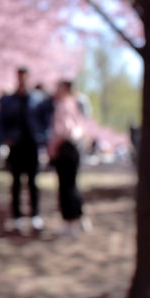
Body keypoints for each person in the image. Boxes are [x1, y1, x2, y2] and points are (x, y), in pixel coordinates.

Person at [0, 67, 52, 232]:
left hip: (32, 145)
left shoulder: (38, 100)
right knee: (16, 183)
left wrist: (43, 138)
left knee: (33, 182)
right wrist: (5, 138)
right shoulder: (8, 100)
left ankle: (35, 215)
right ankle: (17, 217)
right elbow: (0, 121)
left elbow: (46, 121)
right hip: (16, 146)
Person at [48, 79, 90, 235]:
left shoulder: (63, 105)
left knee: (66, 186)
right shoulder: (77, 103)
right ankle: (80, 217)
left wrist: (53, 147)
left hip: (65, 147)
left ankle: (70, 222)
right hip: (75, 147)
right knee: (72, 184)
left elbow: (62, 130)